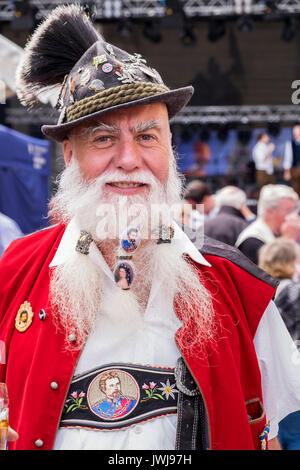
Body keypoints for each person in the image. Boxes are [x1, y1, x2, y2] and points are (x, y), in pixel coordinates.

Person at [2, 5, 300, 451]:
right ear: (69, 155)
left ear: (169, 147)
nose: (128, 159)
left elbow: (272, 437)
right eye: (103, 138)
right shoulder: (14, 275)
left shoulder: (240, 289)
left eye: (147, 136)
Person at [258, 238, 300, 450]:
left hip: (268, 369)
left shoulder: (258, 289)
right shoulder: (294, 291)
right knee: (294, 436)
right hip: (292, 367)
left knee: (274, 431)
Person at [236, 184, 300, 264]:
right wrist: (289, 242)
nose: (294, 216)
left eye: (294, 211)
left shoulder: (280, 232)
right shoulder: (253, 241)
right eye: (288, 210)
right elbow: (276, 273)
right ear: (269, 212)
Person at [283, 124, 300, 196]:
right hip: (295, 168)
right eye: (294, 131)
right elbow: (288, 158)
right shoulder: (290, 144)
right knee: (295, 188)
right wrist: (287, 171)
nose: (295, 133)